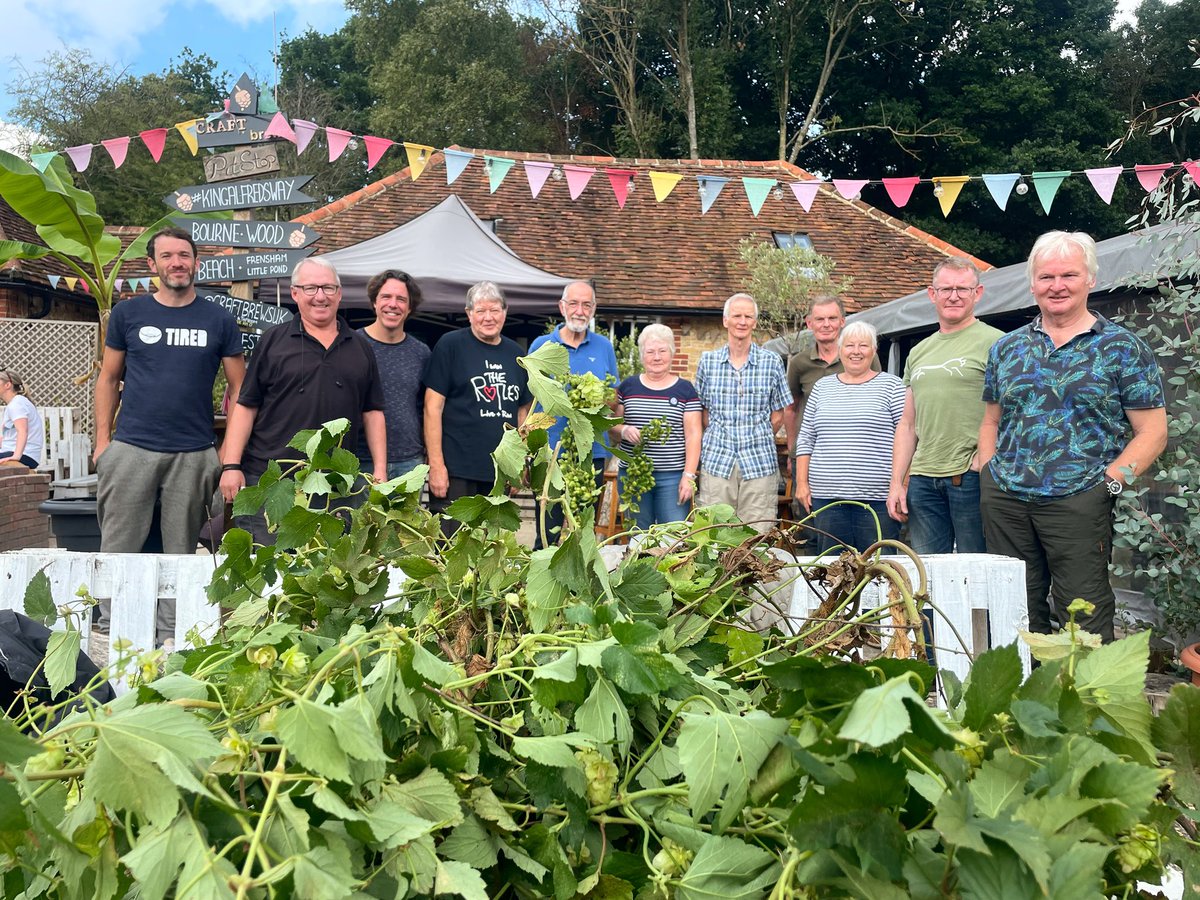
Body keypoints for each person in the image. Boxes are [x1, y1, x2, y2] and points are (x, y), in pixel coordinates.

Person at [979, 231, 1167, 642]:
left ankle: (1082, 702)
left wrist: (1110, 482)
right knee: (1010, 605)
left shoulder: (1122, 348)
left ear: (1090, 280)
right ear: (1032, 284)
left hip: (1080, 498)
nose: (1057, 286)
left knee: (1082, 610)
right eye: (1046, 277)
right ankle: (1017, 699)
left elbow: (1153, 432)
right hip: (1006, 500)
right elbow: (991, 419)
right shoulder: (1006, 349)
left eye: (1068, 275)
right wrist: (988, 471)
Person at [95, 228, 244, 640]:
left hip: (194, 451)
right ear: (152, 264)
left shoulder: (218, 318)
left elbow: (240, 391)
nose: (176, 263)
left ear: (196, 263)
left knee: (180, 550)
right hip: (131, 447)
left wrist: (227, 454)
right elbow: (108, 379)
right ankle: (113, 624)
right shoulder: (129, 314)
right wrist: (103, 443)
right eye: (167, 256)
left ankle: (168, 630)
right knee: (119, 543)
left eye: (184, 255)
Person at [220, 257, 387, 544]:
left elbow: (372, 412)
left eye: (327, 288)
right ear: (295, 293)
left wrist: (380, 471)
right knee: (268, 566)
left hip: (336, 486)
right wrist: (231, 465)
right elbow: (246, 406)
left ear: (339, 292)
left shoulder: (360, 347)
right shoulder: (273, 342)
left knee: (325, 574)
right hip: (272, 481)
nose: (320, 296)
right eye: (310, 288)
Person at [887, 259, 1003, 553]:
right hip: (923, 479)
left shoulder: (998, 344)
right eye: (946, 288)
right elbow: (907, 424)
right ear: (932, 293)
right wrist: (897, 483)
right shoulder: (919, 351)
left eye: (962, 288)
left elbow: (1014, 412)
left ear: (977, 293)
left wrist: (985, 460)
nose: (954, 296)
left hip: (971, 476)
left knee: (975, 569)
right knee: (929, 574)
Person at [423, 281, 531, 534]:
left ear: (505, 312)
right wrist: (436, 466)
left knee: (490, 547)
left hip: (498, 473)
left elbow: (523, 414)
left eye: (494, 310)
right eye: (480, 311)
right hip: (456, 471)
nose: (488, 317)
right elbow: (432, 408)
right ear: (469, 313)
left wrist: (517, 466)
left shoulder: (516, 355)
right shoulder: (450, 346)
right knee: (450, 546)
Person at [795, 321, 906, 553]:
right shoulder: (822, 387)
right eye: (850, 345)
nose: (856, 351)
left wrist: (903, 485)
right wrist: (802, 484)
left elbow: (907, 437)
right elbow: (806, 437)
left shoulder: (893, 386)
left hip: (878, 500)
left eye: (863, 345)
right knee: (831, 573)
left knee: (880, 569)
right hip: (827, 499)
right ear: (840, 349)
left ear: (874, 351)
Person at [528, 281, 619, 545]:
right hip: (550, 451)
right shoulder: (542, 345)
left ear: (594, 309)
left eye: (586, 305)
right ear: (562, 307)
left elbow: (612, 397)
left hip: (591, 452)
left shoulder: (604, 347)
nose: (579, 310)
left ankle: (582, 585)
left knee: (583, 533)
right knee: (546, 531)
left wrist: (596, 398)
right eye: (573, 303)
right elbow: (530, 398)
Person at [695, 293, 793, 533]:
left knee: (756, 536)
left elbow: (779, 412)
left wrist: (754, 434)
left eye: (748, 316)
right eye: (736, 315)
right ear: (725, 320)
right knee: (714, 535)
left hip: (759, 463)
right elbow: (702, 413)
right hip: (718, 462)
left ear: (755, 322)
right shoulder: (708, 362)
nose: (742, 321)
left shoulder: (771, 362)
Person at [611, 324, 702, 529]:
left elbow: (694, 434)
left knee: (672, 535)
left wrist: (689, 476)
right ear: (642, 355)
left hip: (672, 477)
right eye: (650, 352)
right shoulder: (628, 387)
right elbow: (612, 427)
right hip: (633, 474)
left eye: (662, 351)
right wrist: (624, 430)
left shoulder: (685, 390)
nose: (657, 357)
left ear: (671, 353)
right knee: (637, 533)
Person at [358, 269, 430, 479]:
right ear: (374, 302)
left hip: (408, 460)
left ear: (409, 308)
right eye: (386, 297)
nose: (393, 304)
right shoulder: (353, 345)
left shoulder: (421, 352)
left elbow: (425, 407)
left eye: (401, 299)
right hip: (361, 460)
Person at [0, 370, 43, 469]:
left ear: (7, 385)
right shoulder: (16, 403)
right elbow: (7, 438)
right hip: (14, 451)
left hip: (25, 455)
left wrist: (16, 456)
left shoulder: (17, 404)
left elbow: (23, 430)